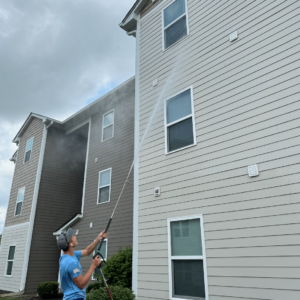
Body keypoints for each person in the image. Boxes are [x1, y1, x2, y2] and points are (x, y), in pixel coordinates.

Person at [57, 228, 108, 300]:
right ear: (70, 244)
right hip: (75, 298)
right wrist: (93, 266)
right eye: (73, 236)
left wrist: (98, 239)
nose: (75, 237)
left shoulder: (66, 256)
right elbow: (81, 284)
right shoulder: (71, 262)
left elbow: (87, 251)